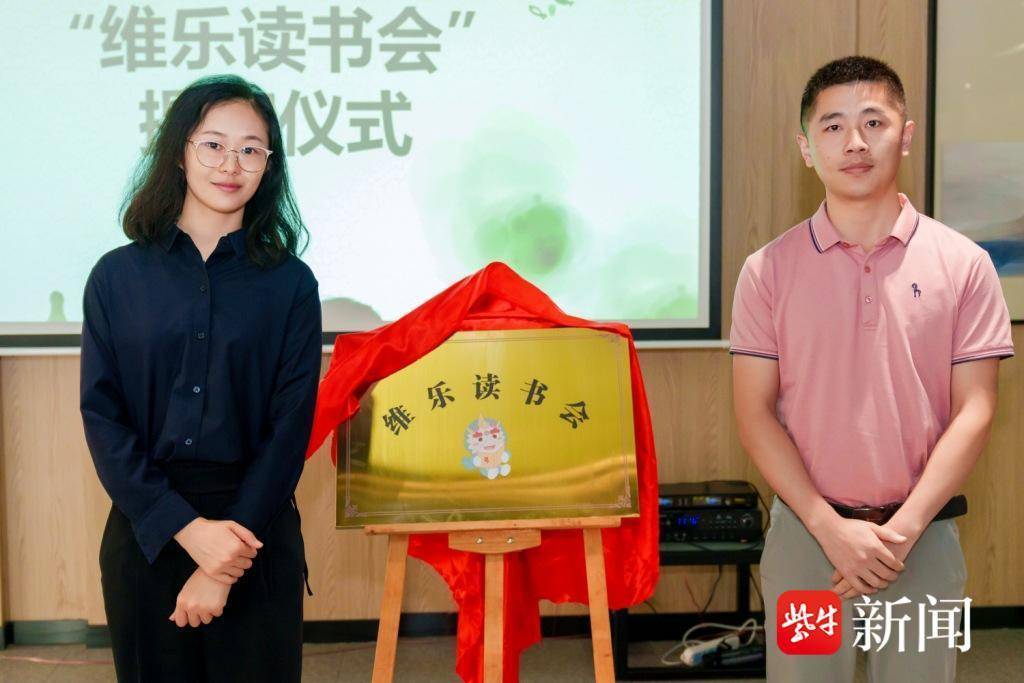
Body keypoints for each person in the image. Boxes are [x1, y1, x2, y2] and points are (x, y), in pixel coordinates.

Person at [730, 56, 1013, 681]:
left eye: (873, 122)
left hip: (922, 542)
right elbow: (754, 413)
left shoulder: (965, 265)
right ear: (806, 148)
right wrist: (828, 527)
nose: (854, 142)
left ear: (904, 135)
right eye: (832, 126)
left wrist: (903, 531)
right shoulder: (767, 271)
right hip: (808, 541)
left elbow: (976, 409)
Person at [80, 74, 322, 682]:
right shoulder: (116, 278)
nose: (230, 165)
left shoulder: (291, 284)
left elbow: (289, 429)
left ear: (269, 165)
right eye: (213, 144)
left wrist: (222, 562)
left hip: (254, 532)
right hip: (149, 530)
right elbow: (104, 420)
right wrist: (186, 532)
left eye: (250, 149)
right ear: (179, 152)